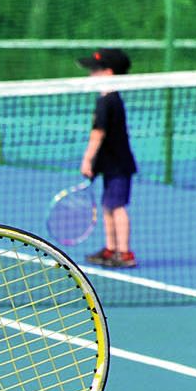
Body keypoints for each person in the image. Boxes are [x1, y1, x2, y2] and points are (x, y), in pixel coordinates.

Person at [77, 47, 137, 269]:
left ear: (109, 72)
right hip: (111, 164)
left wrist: (87, 159)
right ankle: (111, 249)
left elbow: (98, 133)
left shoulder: (107, 101)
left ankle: (125, 253)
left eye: (95, 70)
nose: (90, 74)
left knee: (117, 206)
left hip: (119, 166)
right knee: (107, 206)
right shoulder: (108, 99)